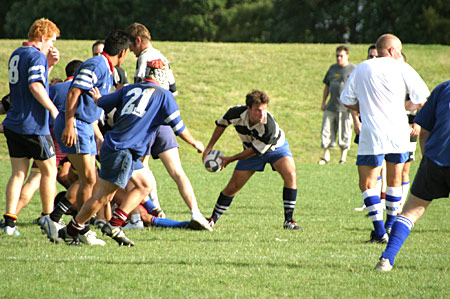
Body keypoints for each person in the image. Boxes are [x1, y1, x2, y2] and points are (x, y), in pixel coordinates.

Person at [57, 60, 205, 246]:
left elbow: (104, 102)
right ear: (163, 75)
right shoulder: (164, 95)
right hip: (122, 150)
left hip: (119, 147)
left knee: (146, 184)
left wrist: (97, 99)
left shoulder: (130, 89)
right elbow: (179, 127)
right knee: (102, 196)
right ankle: (72, 229)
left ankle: (115, 223)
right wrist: (194, 142)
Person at [340, 34, 430, 243]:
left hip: (372, 132)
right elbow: (421, 98)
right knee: (395, 180)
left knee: (367, 183)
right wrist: (402, 107)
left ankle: (379, 231)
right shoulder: (402, 67)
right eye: (399, 50)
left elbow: (346, 100)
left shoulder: (362, 67)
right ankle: (389, 225)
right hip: (399, 132)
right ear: (391, 51)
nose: (400, 54)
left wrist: (365, 108)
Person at [48, 30, 131, 245]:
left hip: (84, 125)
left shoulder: (106, 68)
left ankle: (74, 226)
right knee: (89, 179)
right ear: (122, 52)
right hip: (77, 124)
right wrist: (68, 123)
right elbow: (74, 91)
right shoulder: (98, 65)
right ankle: (79, 230)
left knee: (90, 178)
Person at [126, 22, 211, 230]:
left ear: (138, 40)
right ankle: (196, 213)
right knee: (177, 172)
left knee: (141, 169)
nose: (130, 50)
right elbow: (173, 92)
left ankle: (152, 212)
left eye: (131, 45)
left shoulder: (144, 58)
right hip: (164, 122)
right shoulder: (163, 59)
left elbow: (141, 91)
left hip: (146, 124)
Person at [375, 80, 450, 271]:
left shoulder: (444, 88)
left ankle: (386, 259)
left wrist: (428, 159)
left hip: (434, 160)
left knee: (411, 212)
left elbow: (423, 131)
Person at [203, 90, 301, 230]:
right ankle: (212, 219)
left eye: (264, 110)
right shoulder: (235, 113)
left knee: (290, 174)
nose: (262, 114)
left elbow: (255, 150)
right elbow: (221, 124)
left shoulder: (269, 126)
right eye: (258, 110)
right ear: (248, 109)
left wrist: (230, 159)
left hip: (276, 148)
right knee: (233, 187)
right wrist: (209, 147)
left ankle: (289, 221)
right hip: (251, 152)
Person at [2, 18, 60, 236]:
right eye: (51, 41)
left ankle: (9, 223)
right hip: (34, 125)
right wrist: (53, 109)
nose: (52, 45)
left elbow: (32, 80)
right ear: (42, 37)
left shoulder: (17, 53)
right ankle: (49, 218)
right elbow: (35, 85)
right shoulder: (36, 55)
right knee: (49, 170)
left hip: (14, 123)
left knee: (18, 173)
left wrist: (49, 64)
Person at [318, 45, 356, 165]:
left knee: (345, 132)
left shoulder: (352, 69)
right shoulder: (332, 69)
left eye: (341, 56)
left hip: (345, 108)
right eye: (337, 56)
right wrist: (323, 101)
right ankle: (326, 156)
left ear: (347, 56)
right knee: (326, 130)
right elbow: (327, 86)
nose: (339, 58)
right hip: (331, 106)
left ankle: (343, 158)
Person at [353, 45, 379, 212]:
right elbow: (350, 98)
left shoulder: (392, 74)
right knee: (369, 180)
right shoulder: (362, 75)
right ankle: (378, 204)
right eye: (371, 56)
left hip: (379, 133)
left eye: (377, 56)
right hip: (369, 131)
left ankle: (383, 226)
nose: (373, 59)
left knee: (369, 182)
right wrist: (356, 119)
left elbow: (419, 100)